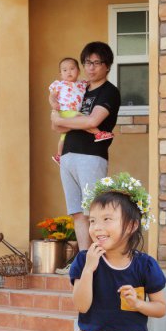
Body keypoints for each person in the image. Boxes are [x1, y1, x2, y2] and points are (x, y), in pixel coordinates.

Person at [62, 175, 166, 331]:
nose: (97, 227)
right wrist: (89, 269)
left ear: (131, 226)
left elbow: (161, 308)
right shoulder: (84, 260)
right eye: (93, 220)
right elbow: (81, 305)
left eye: (107, 219)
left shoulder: (145, 265)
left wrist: (138, 304)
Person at [51, 42, 121, 250]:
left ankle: (98, 260)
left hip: (91, 155)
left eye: (97, 63)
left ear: (107, 66)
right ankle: (84, 258)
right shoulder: (78, 89)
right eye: (87, 62)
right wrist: (65, 120)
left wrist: (63, 121)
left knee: (94, 211)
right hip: (67, 156)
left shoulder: (109, 92)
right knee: (77, 213)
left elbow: (93, 121)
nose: (91, 67)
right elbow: (55, 125)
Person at [49, 57, 114, 165]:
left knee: (63, 136)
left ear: (78, 71)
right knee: (82, 118)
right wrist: (53, 103)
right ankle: (98, 133)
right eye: (65, 70)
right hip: (65, 110)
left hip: (72, 112)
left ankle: (59, 155)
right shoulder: (59, 84)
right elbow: (52, 96)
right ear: (61, 74)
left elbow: (92, 82)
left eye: (72, 69)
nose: (69, 72)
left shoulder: (82, 83)